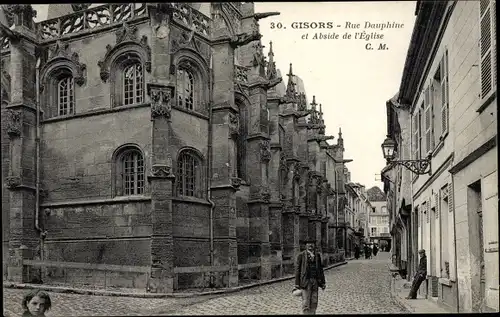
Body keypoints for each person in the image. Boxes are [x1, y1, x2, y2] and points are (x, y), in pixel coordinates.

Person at [294, 238, 326, 315]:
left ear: (314, 245)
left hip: (315, 281)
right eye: (308, 243)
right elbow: (297, 270)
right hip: (305, 281)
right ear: (305, 245)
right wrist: (297, 284)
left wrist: (323, 282)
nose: (310, 245)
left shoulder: (317, 255)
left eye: (312, 243)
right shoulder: (301, 255)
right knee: (306, 302)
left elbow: (320, 269)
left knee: (314, 301)